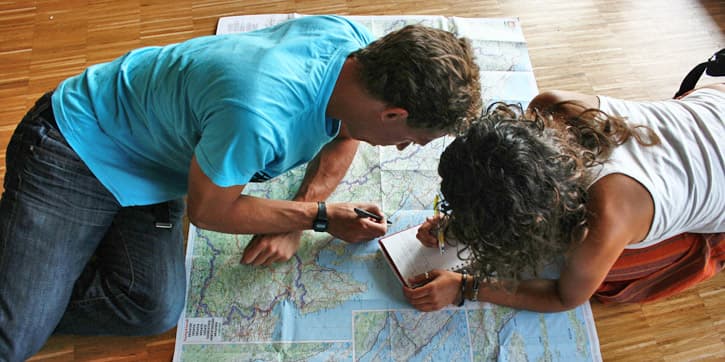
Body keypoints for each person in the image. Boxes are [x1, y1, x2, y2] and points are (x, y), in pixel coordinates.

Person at [0, 15, 482, 360]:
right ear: (393, 114)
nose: (401, 150)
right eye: (410, 139)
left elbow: (346, 133)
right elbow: (209, 210)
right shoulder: (258, 117)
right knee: (14, 338)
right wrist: (318, 219)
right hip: (75, 146)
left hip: (158, 169)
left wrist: (303, 209)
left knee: (154, 308)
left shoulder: (356, 51)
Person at [403, 84, 724, 312]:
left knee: (606, 279)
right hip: (715, 101)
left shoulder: (607, 222)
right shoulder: (550, 106)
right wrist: (462, 223)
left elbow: (564, 297)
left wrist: (466, 286)